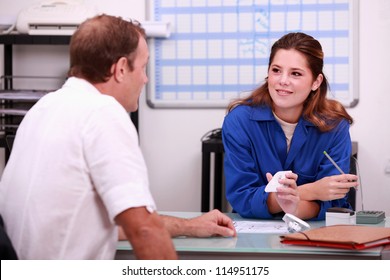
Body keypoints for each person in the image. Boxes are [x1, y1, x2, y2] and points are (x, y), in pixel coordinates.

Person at [0, 14, 236, 260]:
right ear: (121, 68)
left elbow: (103, 224)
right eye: (143, 67)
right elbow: (143, 230)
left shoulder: (44, 107)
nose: (145, 79)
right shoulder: (103, 112)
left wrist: (190, 226)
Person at [222, 32, 358, 221]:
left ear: (316, 82)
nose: (282, 80)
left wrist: (294, 207)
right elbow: (243, 197)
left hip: (317, 232)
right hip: (255, 232)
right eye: (276, 70)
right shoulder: (239, 121)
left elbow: (333, 202)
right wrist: (311, 191)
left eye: (295, 73)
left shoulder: (335, 126)